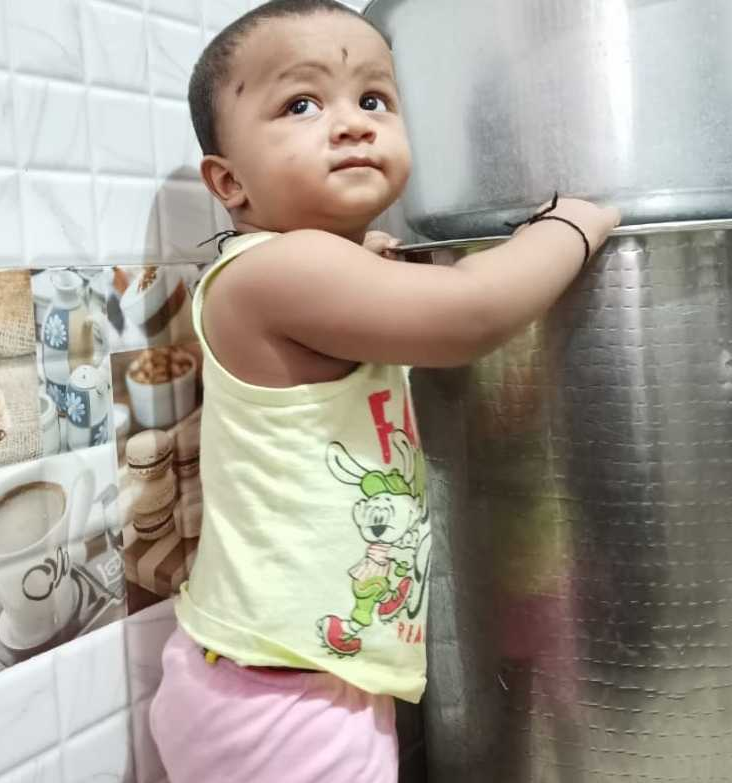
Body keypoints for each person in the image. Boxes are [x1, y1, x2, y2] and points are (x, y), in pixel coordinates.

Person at [149, 1, 620, 781]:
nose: (350, 124)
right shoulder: (277, 273)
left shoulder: (300, 271)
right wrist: (570, 226)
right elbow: (469, 313)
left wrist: (363, 254)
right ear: (229, 181)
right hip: (284, 697)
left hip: (283, 672)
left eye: (373, 99)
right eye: (301, 105)